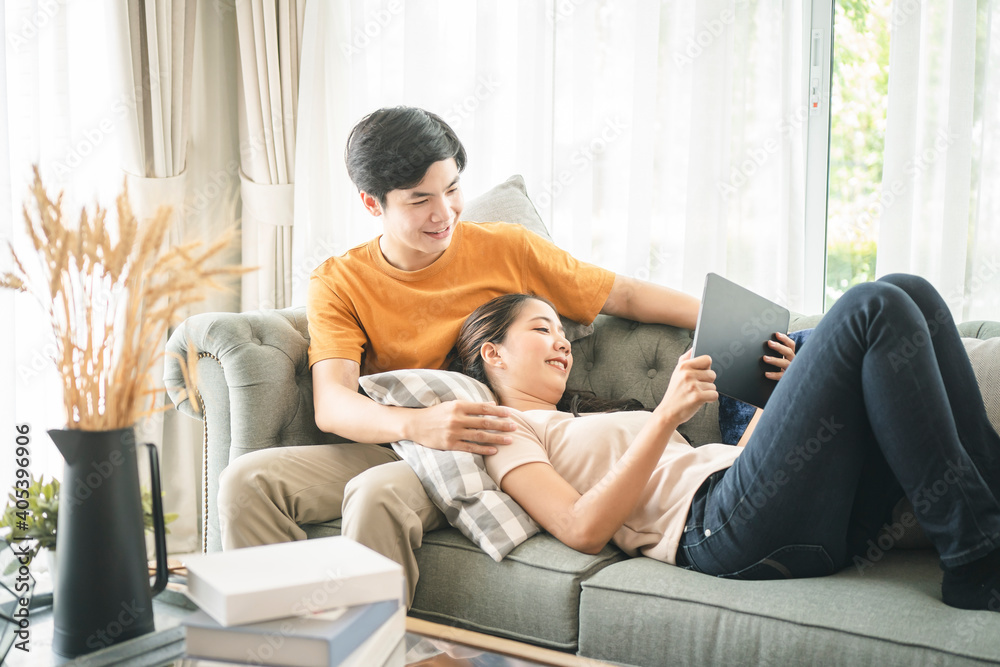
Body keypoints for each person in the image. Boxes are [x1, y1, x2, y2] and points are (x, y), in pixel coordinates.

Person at [216, 106, 701, 605]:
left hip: (481, 449)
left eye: (451, 189)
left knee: (376, 496)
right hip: (399, 438)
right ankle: (282, 645)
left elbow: (623, 295)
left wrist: (733, 320)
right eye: (420, 199)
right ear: (371, 203)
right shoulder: (340, 280)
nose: (443, 213)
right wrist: (416, 425)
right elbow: (333, 403)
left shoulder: (507, 248)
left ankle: (367, 652)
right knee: (244, 483)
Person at [451, 276, 1000, 612]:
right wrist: (665, 415)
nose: (562, 342)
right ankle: (975, 559)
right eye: (542, 329)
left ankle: (991, 522)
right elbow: (580, 529)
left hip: (778, 512)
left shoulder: (586, 413)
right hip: (717, 534)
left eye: (562, 332)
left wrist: (780, 402)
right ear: (493, 353)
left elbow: (738, 466)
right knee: (872, 306)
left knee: (914, 294)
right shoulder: (505, 430)